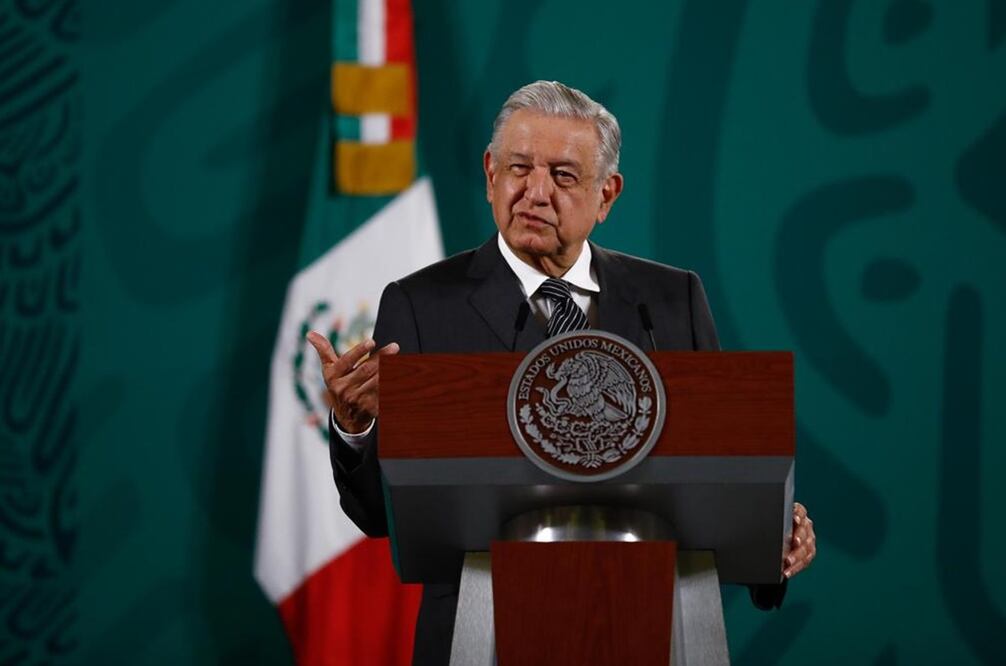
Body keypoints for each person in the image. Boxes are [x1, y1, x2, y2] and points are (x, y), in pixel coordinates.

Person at [307, 80, 816, 665]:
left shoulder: (670, 300)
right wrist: (355, 428)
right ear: (490, 175)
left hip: (651, 624)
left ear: (607, 195)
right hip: (484, 632)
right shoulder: (421, 304)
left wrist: (774, 536)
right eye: (519, 168)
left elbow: (720, 469)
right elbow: (379, 514)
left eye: (564, 175)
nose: (536, 192)